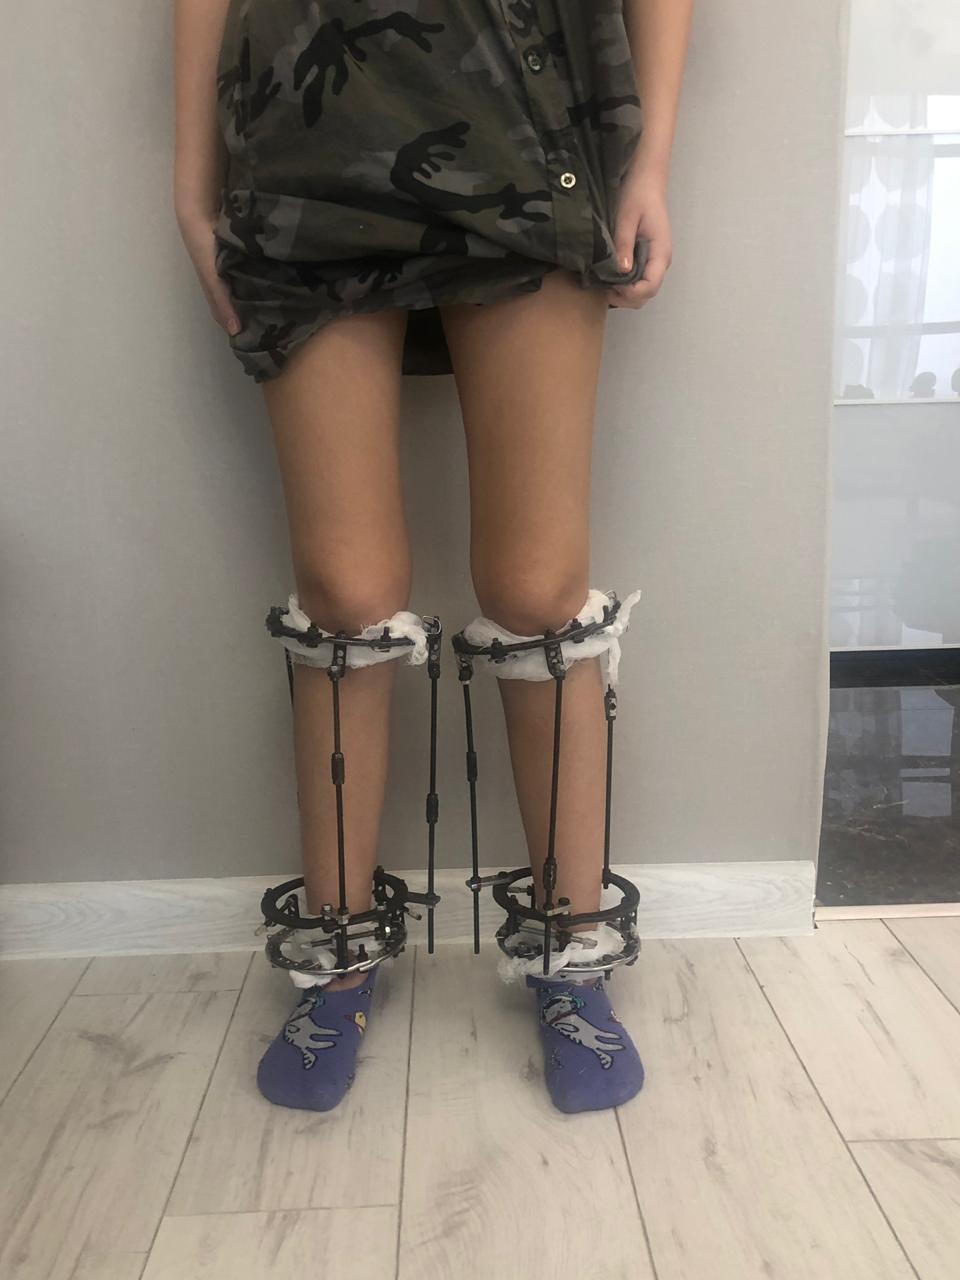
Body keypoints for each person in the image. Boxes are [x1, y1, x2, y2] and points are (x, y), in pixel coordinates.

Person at [174, 0, 692, 1116]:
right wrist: (192, 182)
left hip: (529, 119)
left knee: (539, 590)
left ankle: (571, 950)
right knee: (345, 595)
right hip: (303, 138)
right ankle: (337, 955)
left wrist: (651, 157)